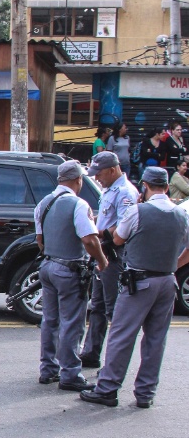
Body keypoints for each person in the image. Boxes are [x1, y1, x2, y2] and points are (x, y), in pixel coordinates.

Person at [80, 167, 189, 408]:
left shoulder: (138, 211)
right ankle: (145, 393)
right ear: (167, 187)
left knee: (122, 334)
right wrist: (173, 265)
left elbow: (118, 238)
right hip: (167, 280)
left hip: (139, 279)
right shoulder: (181, 214)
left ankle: (108, 388)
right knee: (156, 339)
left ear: (145, 186)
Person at [34, 160, 109, 391]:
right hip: (69, 268)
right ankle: (70, 374)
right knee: (72, 323)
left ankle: (48, 369)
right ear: (78, 180)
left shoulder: (43, 204)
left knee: (50, 321)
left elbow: (40, 240)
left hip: (48, 265)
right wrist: (102, 260)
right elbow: (89, 238)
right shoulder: (78, 204)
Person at [79, 152, 139, 369]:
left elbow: (123, 228)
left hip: (114, 256)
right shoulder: (109, 189)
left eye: (100, 173)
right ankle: (91, 353)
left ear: (113, 170)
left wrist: (97, 232)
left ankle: (114, 362)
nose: (97, 178)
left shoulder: (125, 192)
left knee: (114, 311)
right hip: (102, 254)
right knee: (97, 306)